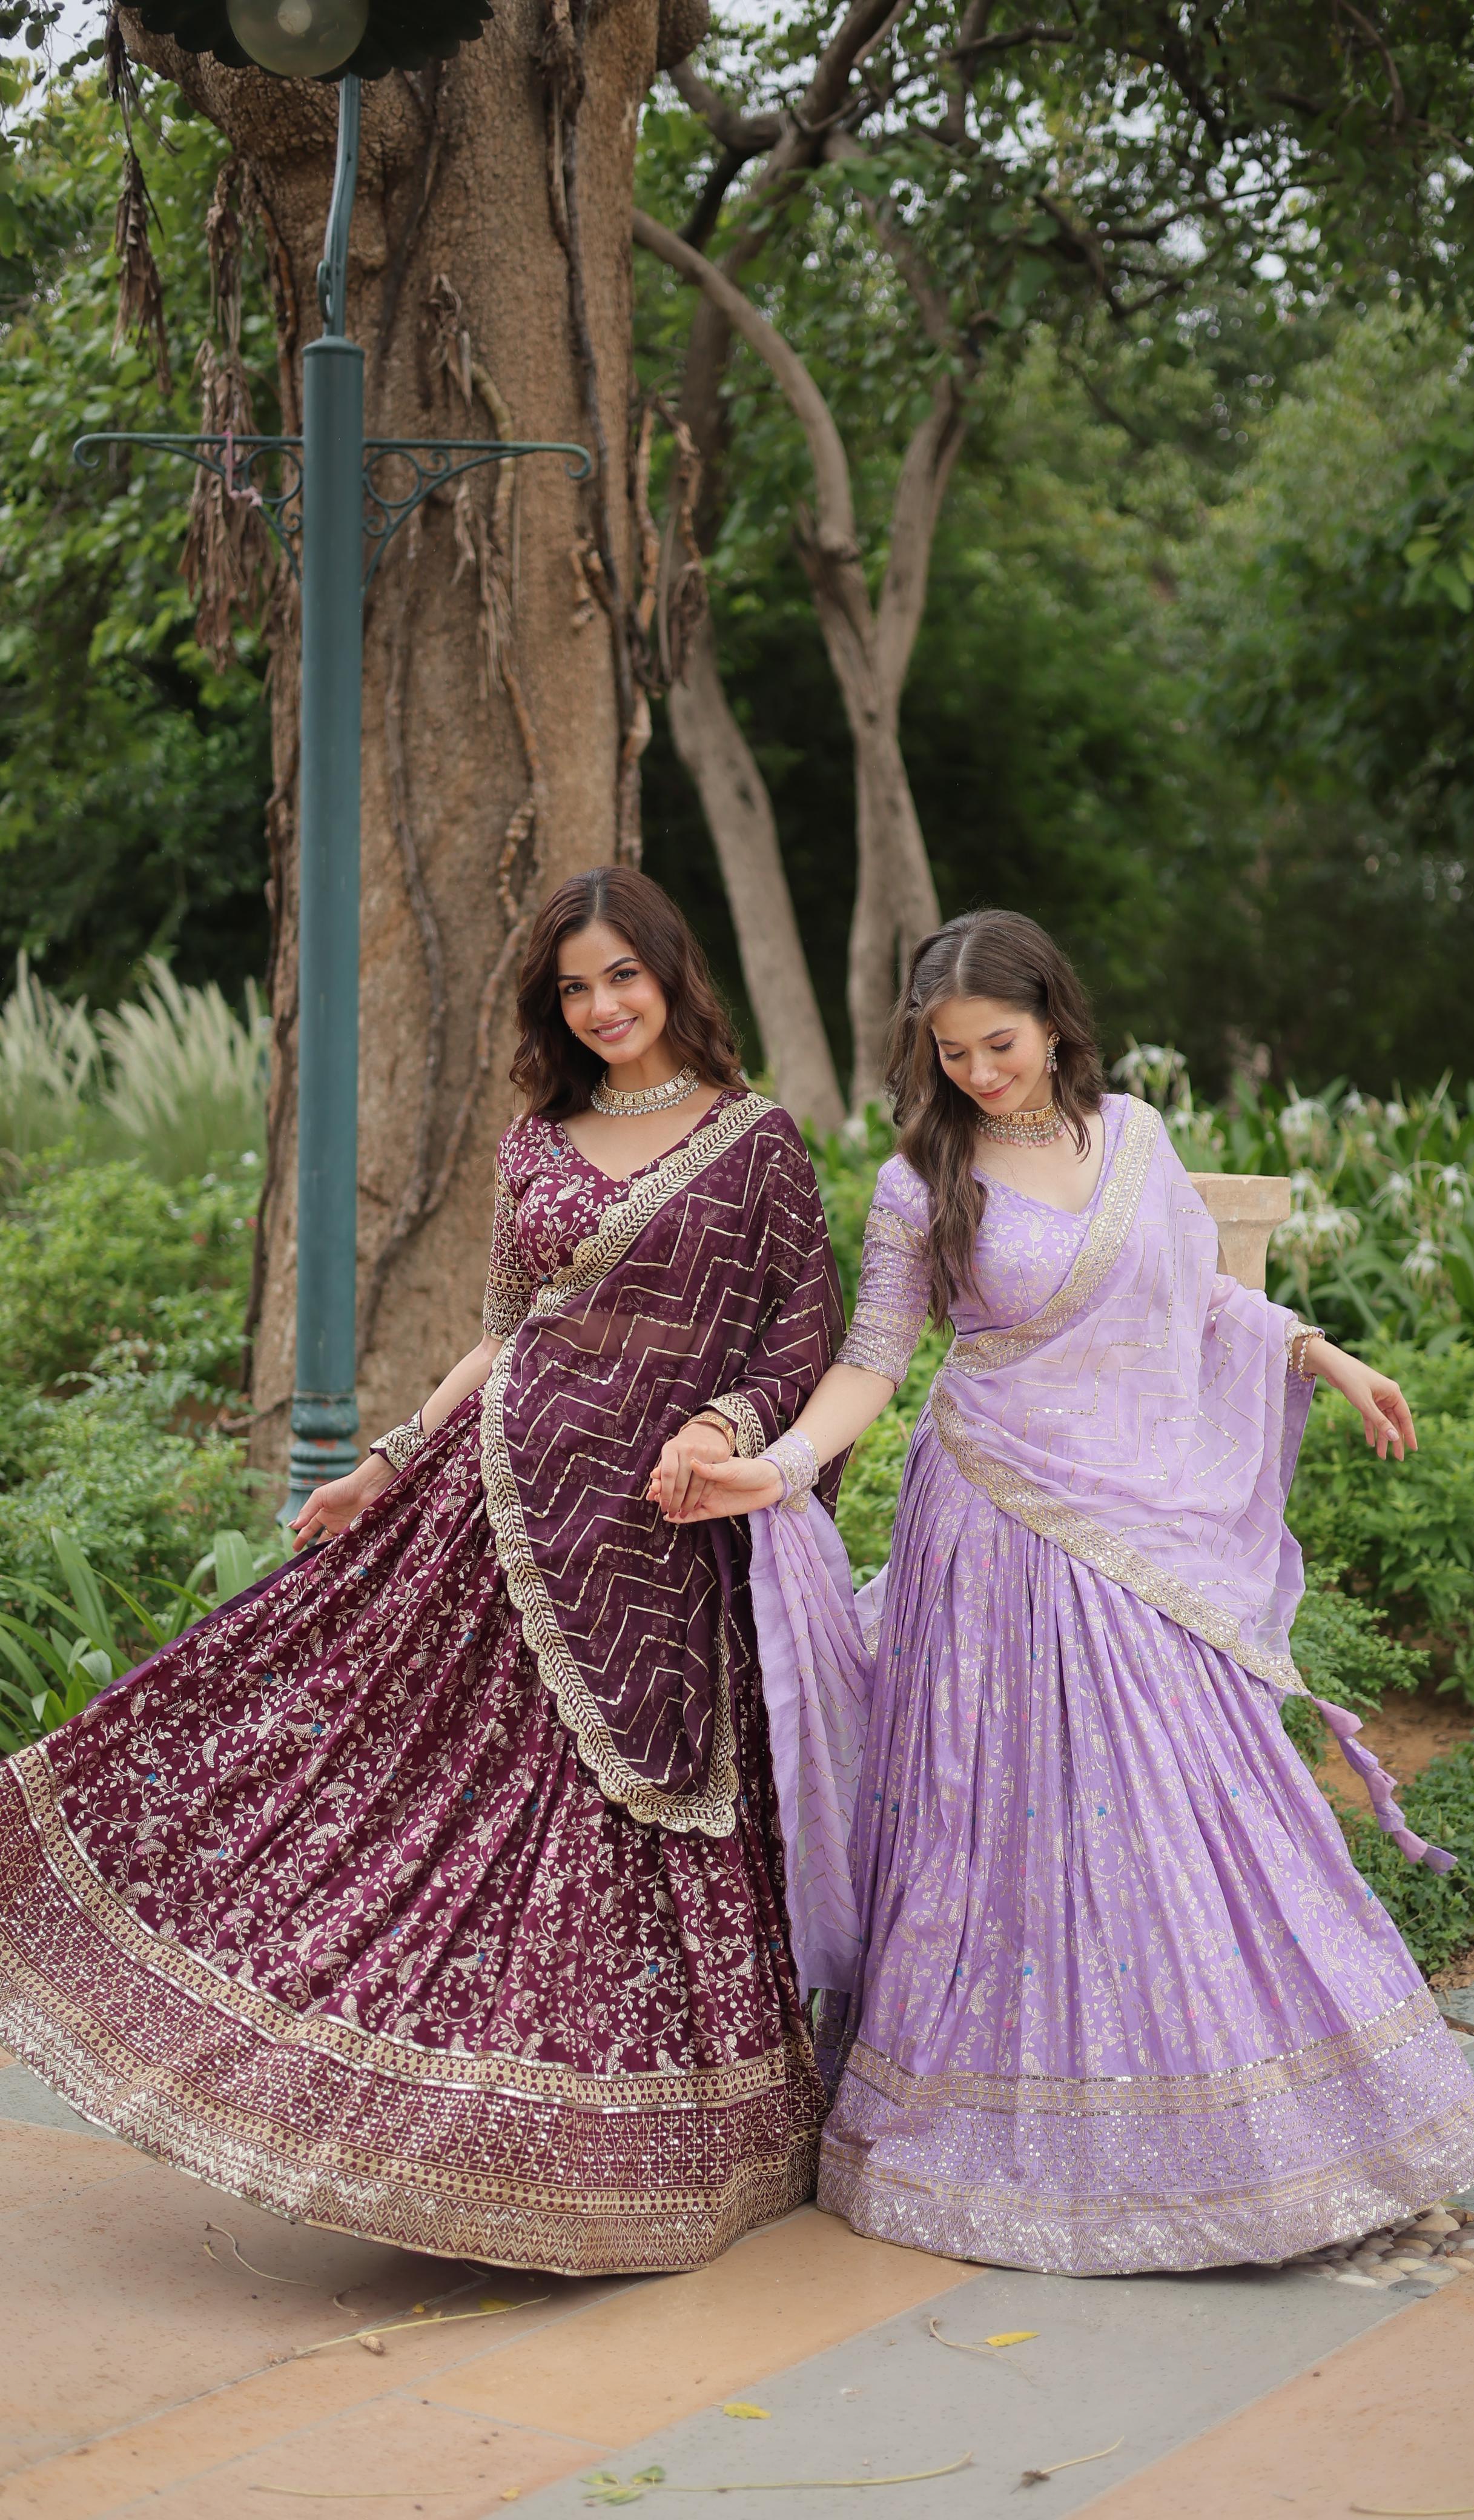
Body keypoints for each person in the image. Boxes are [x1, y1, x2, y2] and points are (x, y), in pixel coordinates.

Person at [0, 867, 845, 2276]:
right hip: (494, 1518)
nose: (602, 1007)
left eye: (621, 976)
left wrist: (723, 1428)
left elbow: (794, 1343)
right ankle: (446, 2151)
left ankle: (618, 2157)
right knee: (410, 1799)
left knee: (612, 1830)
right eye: (574, 987)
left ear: (670, 973)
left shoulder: (757, 1146)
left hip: (664, 1541)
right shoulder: (537, 1144)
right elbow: (508, 1334)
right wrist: (385, 1459)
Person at [661, 909, 1474, 2278]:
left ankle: (1252, 2133)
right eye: (954, 1053)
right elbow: (876, 1353)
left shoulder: (1138, 1141)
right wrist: (787, 1463)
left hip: (1125, 1522)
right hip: (991, 1528)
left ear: (1054, 1017)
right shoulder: (922, 1179)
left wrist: (1323, 1355)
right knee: (995, 1825)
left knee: (1195, 1790)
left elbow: (1205, 1303)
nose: (982, 1073)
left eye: (999, 1043)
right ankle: (1006, 2136)